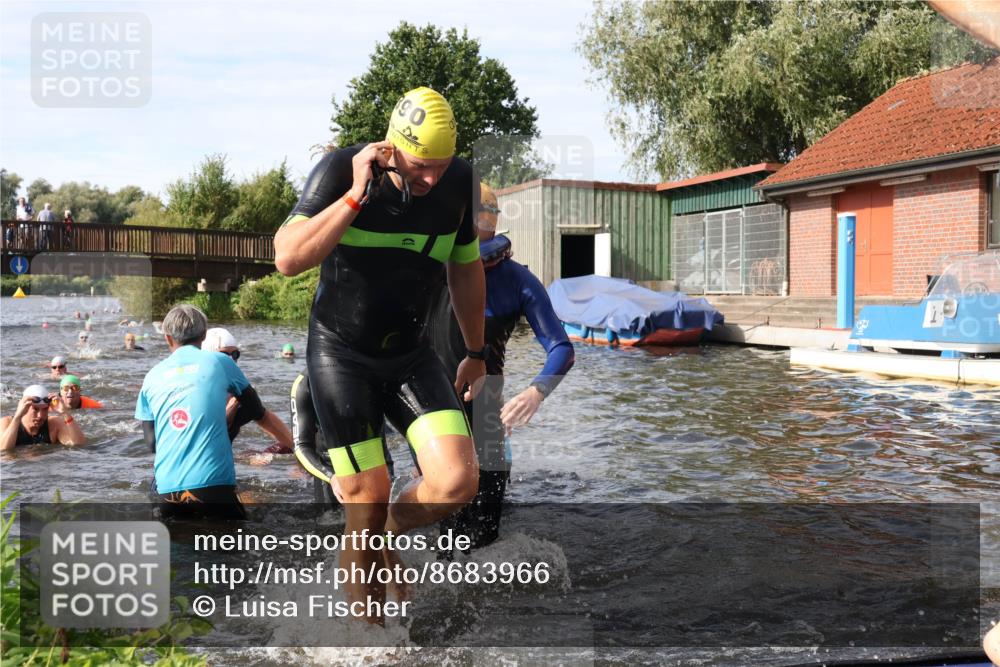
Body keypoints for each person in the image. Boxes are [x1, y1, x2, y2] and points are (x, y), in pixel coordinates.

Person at [274, 86, 486, 619]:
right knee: (364, 500)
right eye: (420, 165)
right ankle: (370, 639)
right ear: (390, 148)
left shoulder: (460, 182)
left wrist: (476, 350)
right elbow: (287, 258)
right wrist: (353, 196)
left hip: (411, 356)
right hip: (341, 356)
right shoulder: (339, 169)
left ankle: (387, 529)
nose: (432, 178)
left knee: (458, 482)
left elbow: (465, 267)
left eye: (441, 165)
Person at [427, 182, 575, 552]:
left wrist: (536, 391)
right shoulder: (429, 268)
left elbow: (562, 348)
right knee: (445, 533)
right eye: (473, 221)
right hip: (434, 401)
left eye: (485, 221)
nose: (480, 229)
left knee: (486, 536)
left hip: (487, 402)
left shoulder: (516, 279)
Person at [135, 305, 263, 520]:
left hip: (167, 489)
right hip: (214, 486)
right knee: (237, 548)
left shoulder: (151, 376)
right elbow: (254, 408)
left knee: (178, 549)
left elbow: (152, 444)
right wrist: (225, 427)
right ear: (204, 335)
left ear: (167, 338)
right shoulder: (221, 361)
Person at [201, 327, 294, 454]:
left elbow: (264, 417)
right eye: (223, 354)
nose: (231, 360)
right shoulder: (195, 392)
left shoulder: (239, 391)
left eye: (235, 354)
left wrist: (299, 451)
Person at [1, 385, 86, 451]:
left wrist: (65, 413)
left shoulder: (54, 424)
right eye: (35, 409)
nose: (40, 415)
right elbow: (3, 451)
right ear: (24, 408)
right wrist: (17, 417)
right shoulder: (6, 423)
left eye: (45, 409)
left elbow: (78, 445)